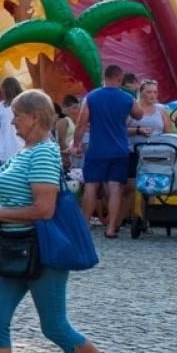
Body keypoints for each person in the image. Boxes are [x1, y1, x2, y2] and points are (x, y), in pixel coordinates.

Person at [0, 88, 137, 353]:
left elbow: (44, 209)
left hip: (42, 251)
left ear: (35, 117)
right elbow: (1, 182)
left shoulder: (43, 153)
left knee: (55, 326)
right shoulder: (25, 151)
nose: (12, 121)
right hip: (15, 250)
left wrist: (0, 214)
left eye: (17, 115)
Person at [77, 64, 136, 239]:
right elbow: (139, 114)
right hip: (119, 149)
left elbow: (81, 123)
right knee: (115, 186)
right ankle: (111, 228)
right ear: (119, 78)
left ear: (105, 77)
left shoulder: (91, 97)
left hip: (97, 149)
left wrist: (76, 143)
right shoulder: (127, 98)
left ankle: (85, 225)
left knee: (90, 185)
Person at [125, 79, 172, 227]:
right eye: (149, 92)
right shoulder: (133, 109)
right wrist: (138, 130)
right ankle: (129, 217)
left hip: (154, 154)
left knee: (150, 188)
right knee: (131, 186)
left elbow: (168, 133)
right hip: (134, 152)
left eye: (155, 92)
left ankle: (147, 220)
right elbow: (121, 130)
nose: (152, 95)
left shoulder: (161, 110)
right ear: (141, 92)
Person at [0, 77, 24, 165]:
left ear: (4, 90)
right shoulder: (25, 104)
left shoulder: (0, 107)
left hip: (6, 151)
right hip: (24, 147)